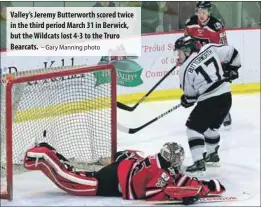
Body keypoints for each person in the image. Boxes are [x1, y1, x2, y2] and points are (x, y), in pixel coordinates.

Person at [24, 142, 225, 205]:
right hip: (107, 183)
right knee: (66, 181)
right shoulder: (161, 172)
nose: (179, 163)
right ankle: (40, 154)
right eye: (177, 159)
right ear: (171, 159)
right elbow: (153, 196)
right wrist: (185, 196)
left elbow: (177, 179)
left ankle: (45, 151)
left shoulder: (157, 160)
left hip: (117, 170)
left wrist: (203, 186)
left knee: (76, 173)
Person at [174, 36, 240, 173]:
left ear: (187, 51)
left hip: (210, 100)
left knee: (193, 129)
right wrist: (232, 69)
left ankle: (198, 162)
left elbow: (191, 97)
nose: (177, 56)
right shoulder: (209, 49)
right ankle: (212, 155)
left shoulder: (184, 70)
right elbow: (233, 53)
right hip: (226, 97)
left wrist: (185, 101)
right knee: (211, 129)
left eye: (179, 52)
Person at [184, 1, 232, 128]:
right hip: (196, 62)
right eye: (199, 12)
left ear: (209, 12)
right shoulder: (190, 23)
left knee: (217, 88)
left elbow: (223, 47)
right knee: (201, 88)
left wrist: (224, 66)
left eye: (204, 12)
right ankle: (205, 111)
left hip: (213, 62)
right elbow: (186, 44)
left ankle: (225, 113)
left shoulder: (216, 26)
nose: (201, 15)